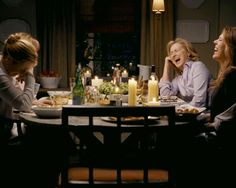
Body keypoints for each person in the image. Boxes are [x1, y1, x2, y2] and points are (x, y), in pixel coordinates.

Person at [159, 38, 212, 107]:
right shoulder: (179, 78)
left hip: (204, 114)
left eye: (176, 51)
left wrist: (181, 109)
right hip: (188, 113)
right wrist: (166, 66)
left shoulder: (198, 67)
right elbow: (165, 97)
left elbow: (199, 101)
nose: (173, 55)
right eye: (171, 53)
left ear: (188, 53)